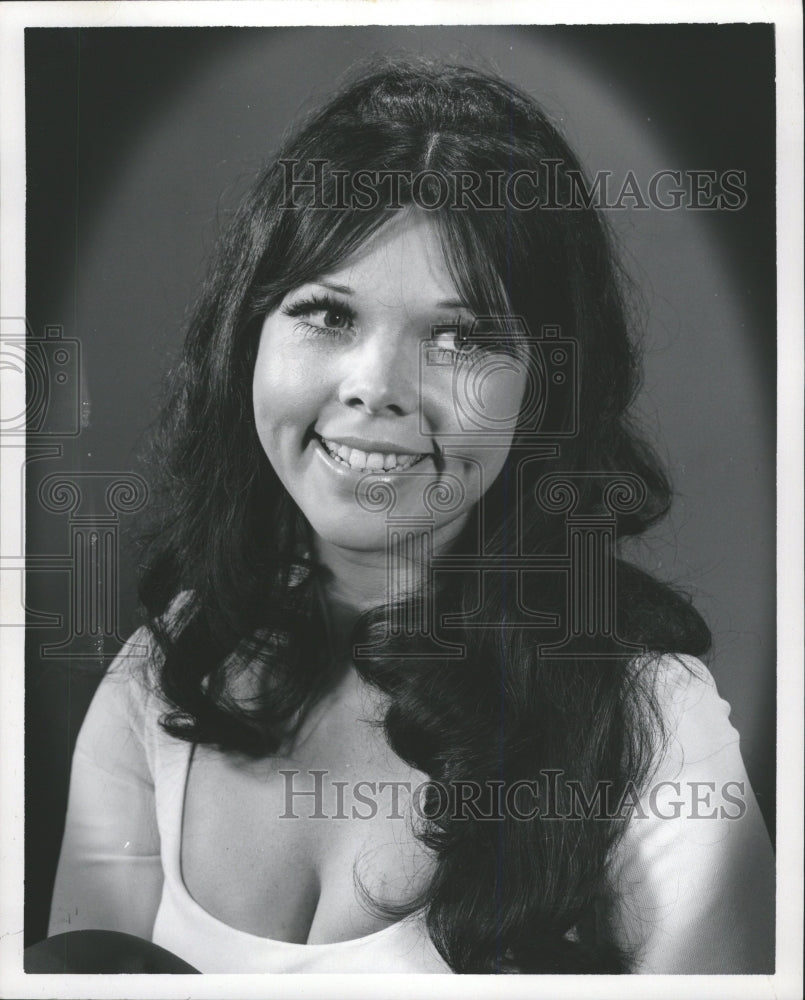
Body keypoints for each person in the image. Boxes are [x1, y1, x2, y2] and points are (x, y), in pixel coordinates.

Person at [46, 59, 774, 975]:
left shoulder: (652, 726)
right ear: (247, 339)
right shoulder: (162, 675)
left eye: (463, 337)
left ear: (542, 392)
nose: (377, 391)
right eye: (326, 314)